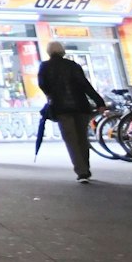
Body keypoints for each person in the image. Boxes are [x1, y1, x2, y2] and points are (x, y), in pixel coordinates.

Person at [37, 41, 108, 182]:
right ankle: (86, 167)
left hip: (61, 108)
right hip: (81, 106)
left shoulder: (44, 67)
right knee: (82, 138)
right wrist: (99, 102)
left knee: (71, 140)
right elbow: (85, 85)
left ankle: (82, 171)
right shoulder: (73, 65)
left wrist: (52, 94)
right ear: (62, 51)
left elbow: (43, 85)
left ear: (49, 52)